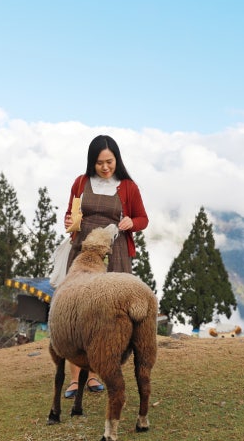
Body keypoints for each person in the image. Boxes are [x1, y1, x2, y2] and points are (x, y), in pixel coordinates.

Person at [62, 134, 149, 399]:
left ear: (117, 160)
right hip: (83, 251)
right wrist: (69, 221)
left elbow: (143, 218)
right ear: (92, 162)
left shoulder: (127, 187)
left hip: (116, 252)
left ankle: (96, 373)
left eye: (109, 162)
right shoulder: (80, 182)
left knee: (106, 315)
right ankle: (75, 379)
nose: (105, 167)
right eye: (100, 163)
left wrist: (131, 223)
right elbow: (70, 214)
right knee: (76, 312)